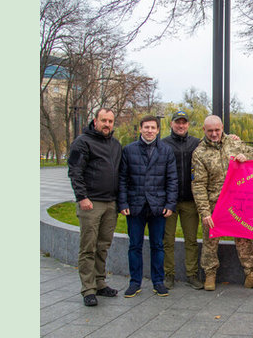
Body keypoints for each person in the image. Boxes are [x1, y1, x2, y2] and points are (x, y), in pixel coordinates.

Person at [191, 115, 253, 292]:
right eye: (210, 131)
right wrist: (205, 213)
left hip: (238, 202)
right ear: (204, 130)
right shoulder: (199, 153)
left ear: (222, 128)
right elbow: (198, 185)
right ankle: (210, 274)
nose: (214, 134)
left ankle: (251, 275)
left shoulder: (234, 143)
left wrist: (245, 156)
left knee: (245, 238)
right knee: (210, 239)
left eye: (217, 130)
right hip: (214, 203)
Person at [118, 115, 178, 298]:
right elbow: (122, 179)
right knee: (134, 245)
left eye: (153, 127)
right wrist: (123, 202)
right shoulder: (129, 150)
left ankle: (158, 282)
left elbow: (172, 180)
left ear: (158, 130)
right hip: (135, 206)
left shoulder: (166, 151)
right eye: (146, 127)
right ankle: (134, 282)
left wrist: (170, 204)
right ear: (140, 129)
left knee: (158, 245)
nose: (149, 131)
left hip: (158, 206)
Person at [67, 108, 122, 307]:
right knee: (88, 247)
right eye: (103, 120)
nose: (107, 124)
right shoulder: (82, 142)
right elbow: (75, 171)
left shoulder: (115, 144)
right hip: (91, 203)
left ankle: (100, 282)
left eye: (110, 121)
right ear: (95, 121)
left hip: (110, 203)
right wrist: (82, 197)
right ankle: (88, 289)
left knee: (103, 246)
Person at [161, 111, 204, 290]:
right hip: (169, 201)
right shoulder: (163, 144)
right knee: (167, 240)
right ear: (171, 124)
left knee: (191, 240)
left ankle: (191, 275)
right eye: (177, 122)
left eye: (184, 123)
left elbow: (216, 142)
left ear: (188, 125)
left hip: (190, 200)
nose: (181, 125)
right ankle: (168, 275)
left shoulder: (196, 143)